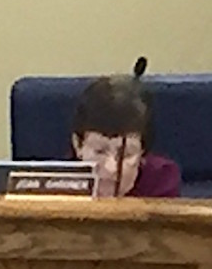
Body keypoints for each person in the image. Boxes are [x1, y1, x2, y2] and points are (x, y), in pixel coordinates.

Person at [71, 59, 181, 198]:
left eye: (126, 154)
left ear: (143, 152)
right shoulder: (54, 183)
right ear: (78, 146)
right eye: (99, 152)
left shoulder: (162, 180)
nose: (111, 169)